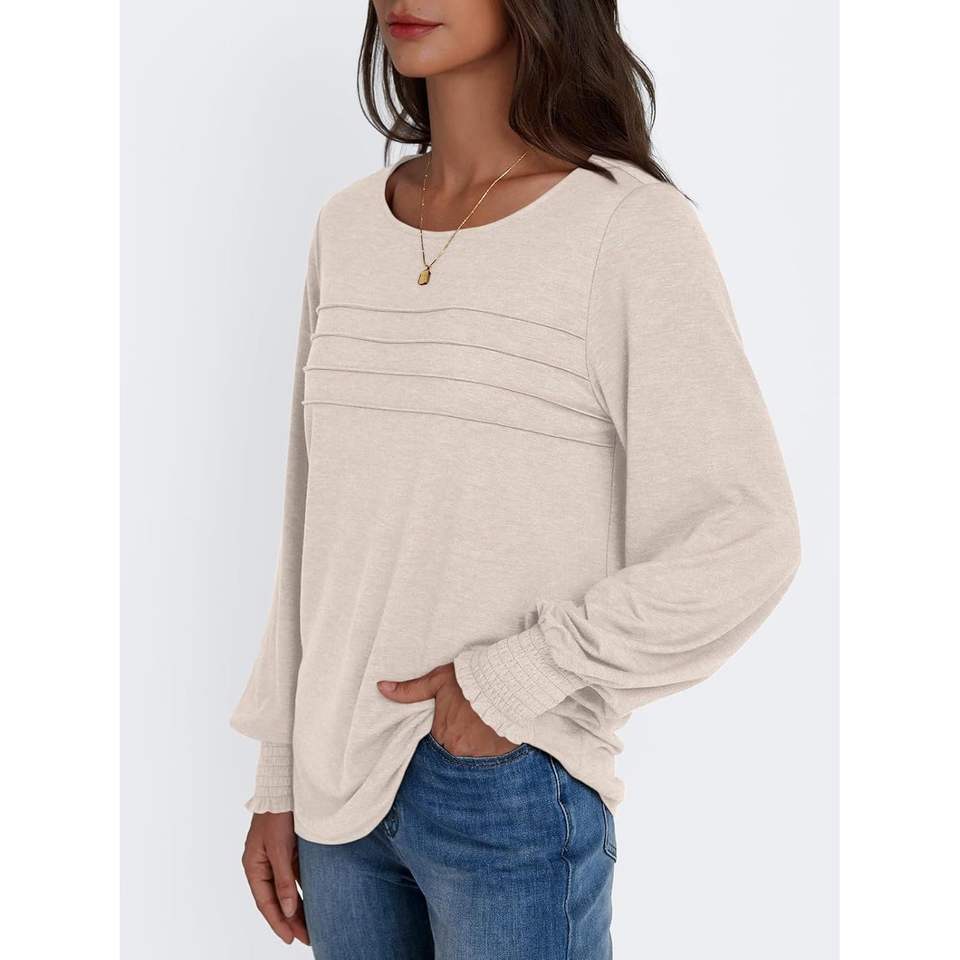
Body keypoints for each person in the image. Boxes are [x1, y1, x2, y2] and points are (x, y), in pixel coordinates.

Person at [230, 1, 801, 957]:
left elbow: (747, 535)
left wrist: (511, 683)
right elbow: (309, 528)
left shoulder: (627, 228)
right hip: (335, 801)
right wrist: (279, 773)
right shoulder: (347, 227)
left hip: (503, 785)